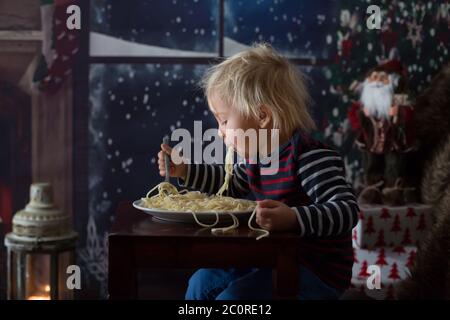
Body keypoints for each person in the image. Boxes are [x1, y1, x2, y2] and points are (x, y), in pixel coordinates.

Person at [158, 43, 359, 300]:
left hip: (313, 270)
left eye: (224, 120)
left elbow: (346, 210)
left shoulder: (308, 157)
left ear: (261, 116)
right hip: (269, 256)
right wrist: (185, 170)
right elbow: (230, 184)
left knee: (234, 299)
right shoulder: (256, 158)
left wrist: (293, 218)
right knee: (200, 282)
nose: (219, 131)